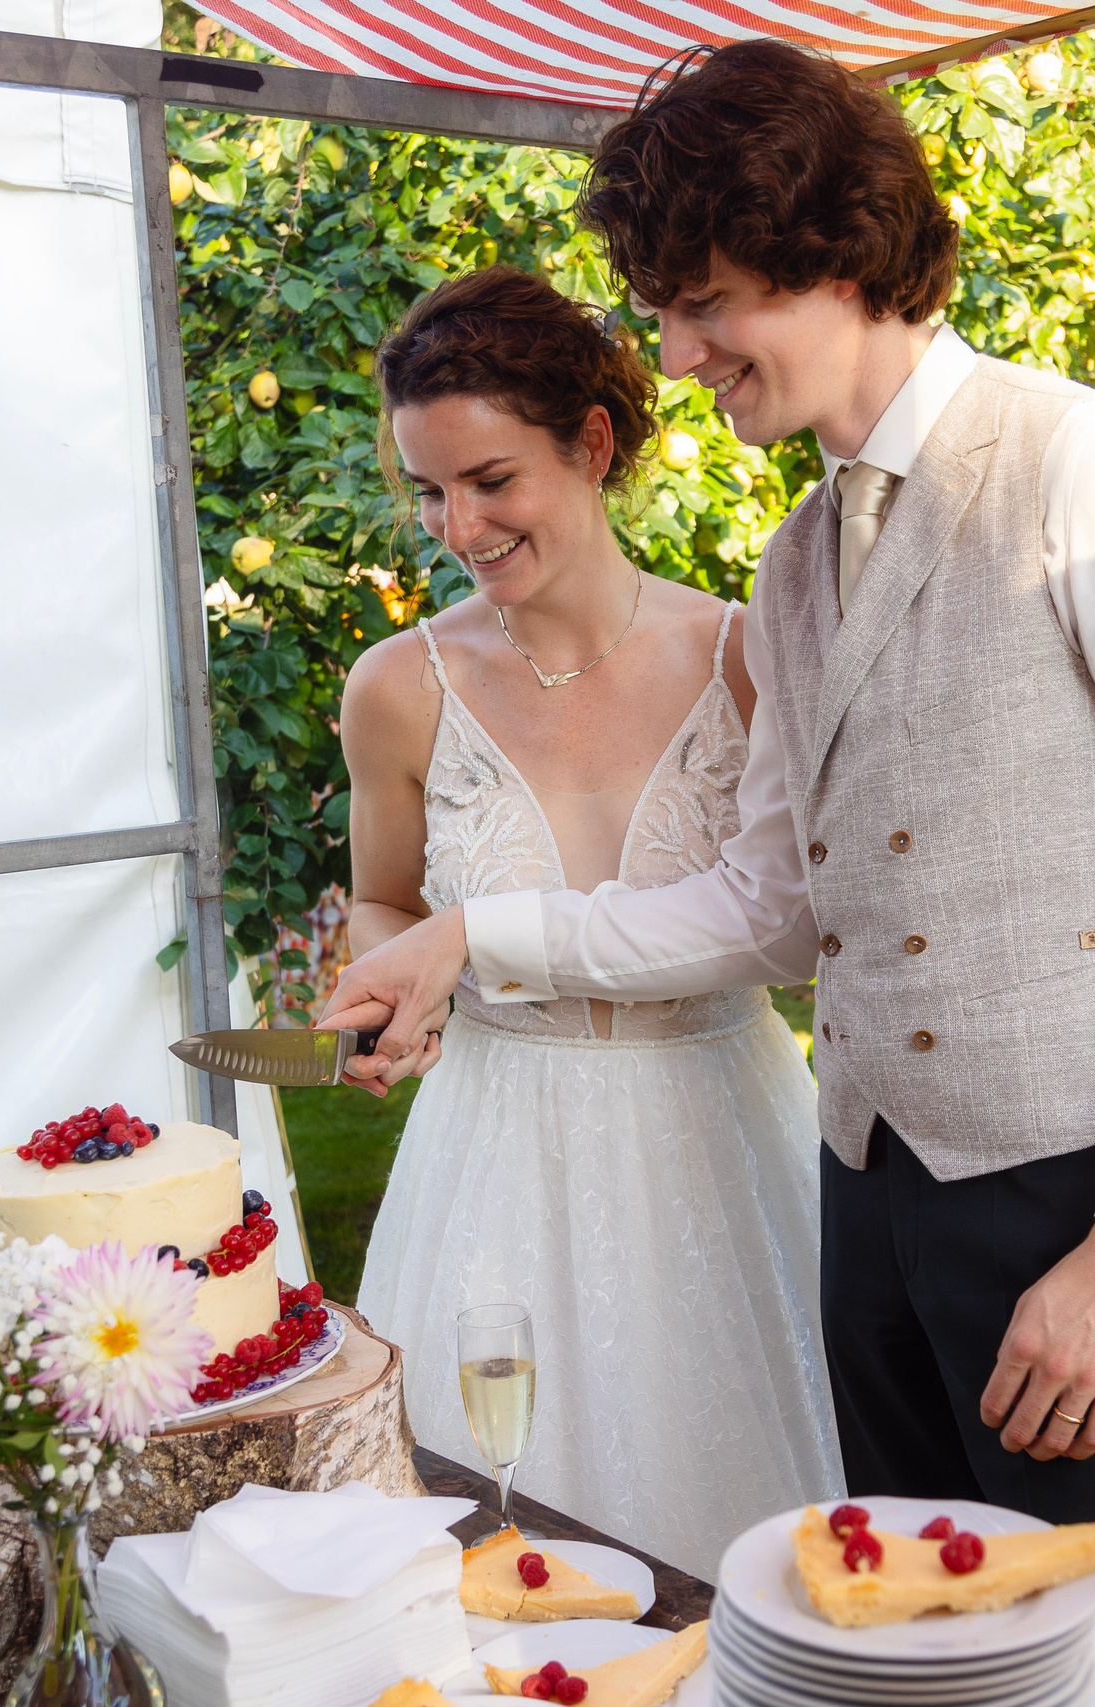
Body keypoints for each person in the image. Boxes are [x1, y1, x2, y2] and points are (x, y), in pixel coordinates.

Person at [322, 39, 1095, 1612]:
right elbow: (766, 905)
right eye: (665, 313)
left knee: (1075, 1650)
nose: (672, 357)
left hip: (1071, 1204)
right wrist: (476, 931)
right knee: (897, 1637)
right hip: (864, 1199)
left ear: (830, 252)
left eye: (701, 304)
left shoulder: (1092, 467)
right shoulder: (799, 558)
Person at [337, 267, 839, 1572]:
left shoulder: (744, 651)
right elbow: (385, 896)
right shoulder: (401, 686)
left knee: (756, 1551)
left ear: (593, 443)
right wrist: (383, 990)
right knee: (487, 1547)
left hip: (720, 1143)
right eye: (430, 489)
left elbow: (784, 919)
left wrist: (465, 938)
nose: (458, 522)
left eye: (491, 479)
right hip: (492, 1153)